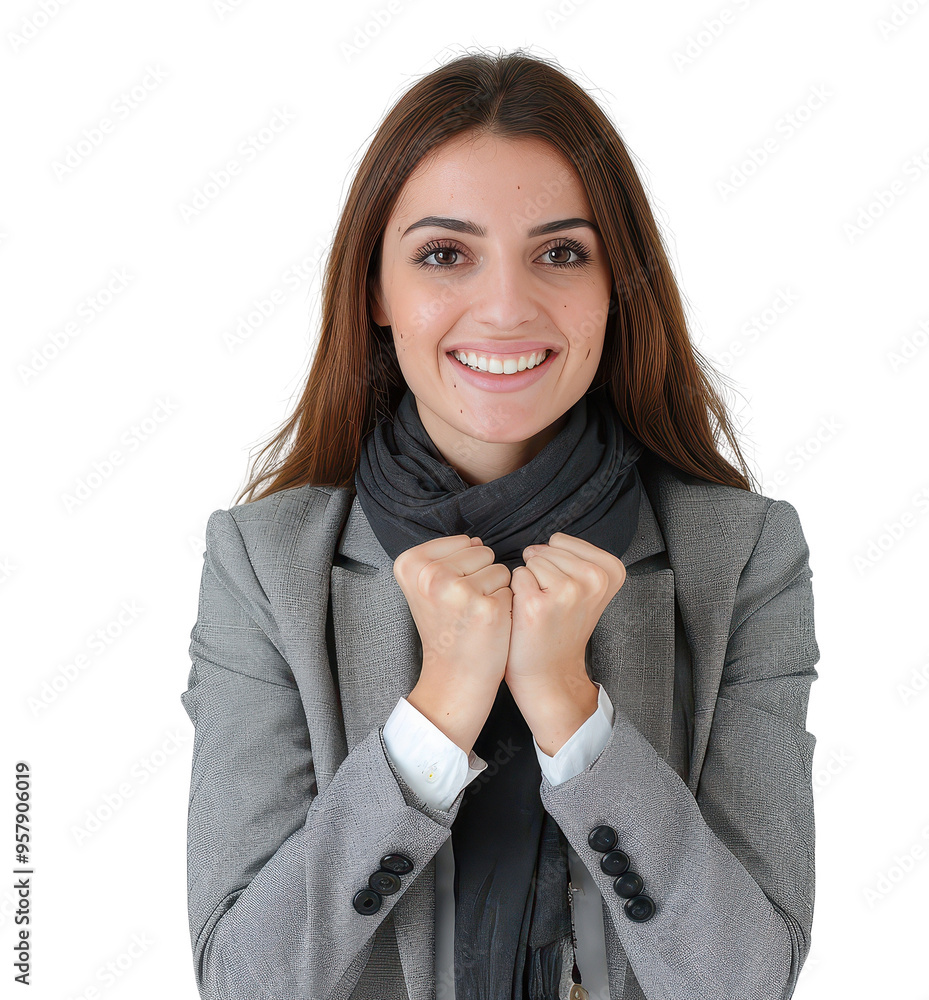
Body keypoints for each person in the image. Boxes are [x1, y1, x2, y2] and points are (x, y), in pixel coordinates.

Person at [180, 48, 820, 1000]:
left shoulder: (743, 557)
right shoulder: (265, 565)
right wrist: (437, 712)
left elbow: (745, 981)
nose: (508, 308)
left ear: (616, 287)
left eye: (560, 253)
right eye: (446, 254)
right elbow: (244, 982)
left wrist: (571, 709)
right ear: (376, 291)